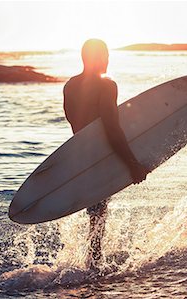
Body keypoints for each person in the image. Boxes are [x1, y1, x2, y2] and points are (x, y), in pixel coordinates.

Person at [63, 39, 149, 270]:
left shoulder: (70, 86)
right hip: (102, 154)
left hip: (80, 156)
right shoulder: (106, 85)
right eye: (106, 55)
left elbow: (74, 123)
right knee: (98, 213)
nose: (108, 60)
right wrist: (132, 164)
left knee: (95, 212)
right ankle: (94, 266)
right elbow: (112, 127)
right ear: (99, 57)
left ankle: (92, 263)